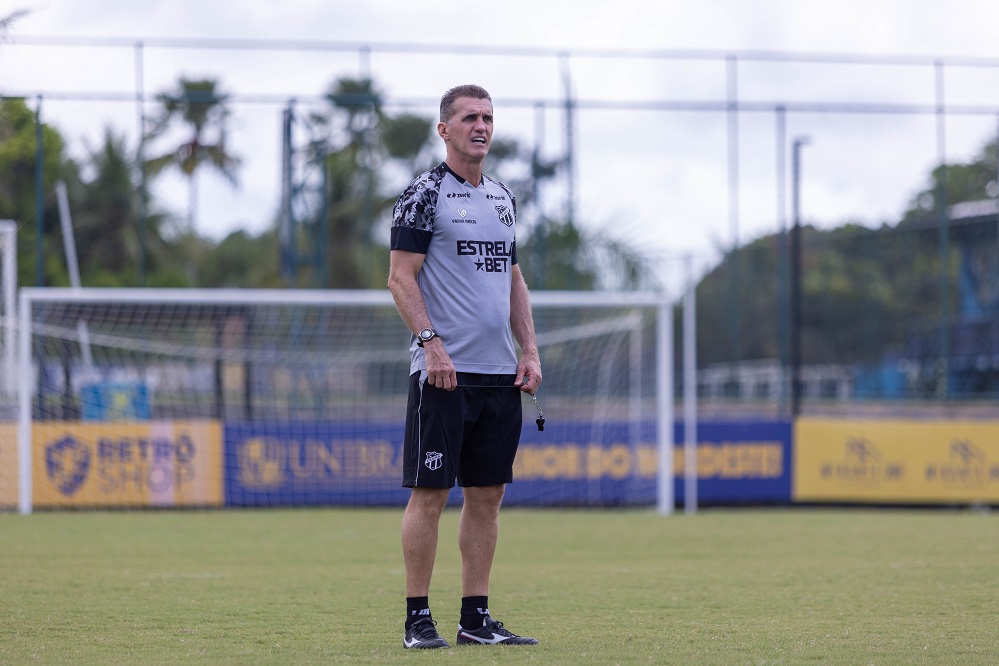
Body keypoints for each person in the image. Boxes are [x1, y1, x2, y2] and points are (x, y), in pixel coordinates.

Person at [387, 84, 542, 650]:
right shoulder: (423, 194)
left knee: (487, 495)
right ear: (444, 130)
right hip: (443, 374)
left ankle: (474, 618)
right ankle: (416, 618)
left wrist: (529, 350)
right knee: (430, 493)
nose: (481, 126)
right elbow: (400, 278)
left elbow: (513, 279)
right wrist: (431, 344)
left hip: (500, 376)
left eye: (488, 117)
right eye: (470, 117)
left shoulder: (503, 197)